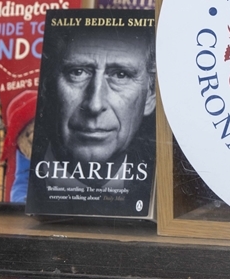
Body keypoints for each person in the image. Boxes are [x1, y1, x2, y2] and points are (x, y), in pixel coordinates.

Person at [32, 26, 156, 198]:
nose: (94, 106)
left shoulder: (159, 190)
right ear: (47, 87)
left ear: (150, 95)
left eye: (121, 75)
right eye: (77, 73)